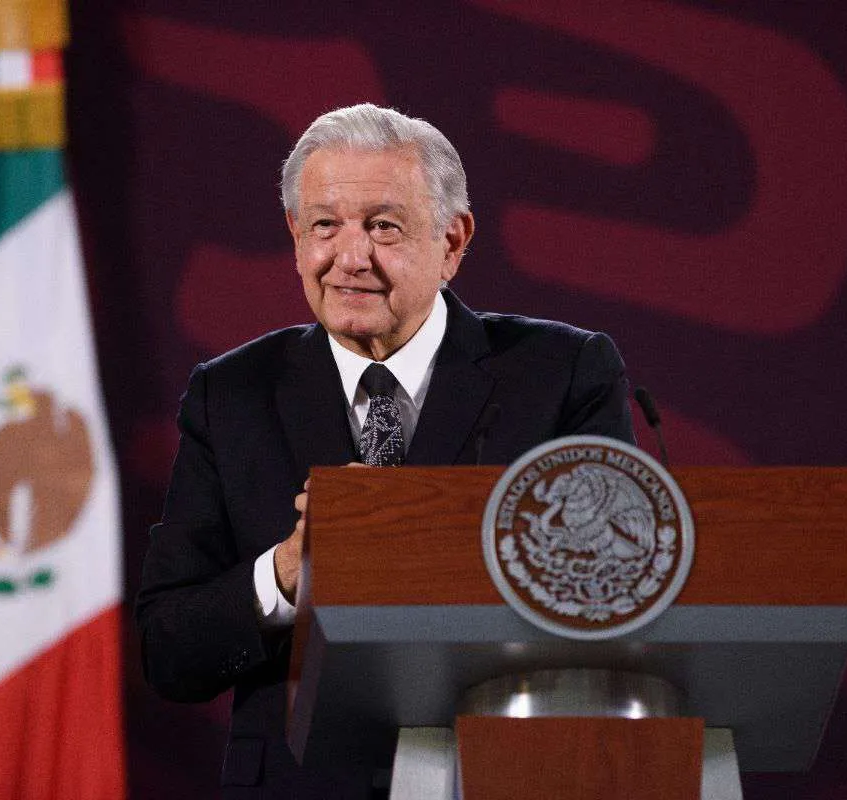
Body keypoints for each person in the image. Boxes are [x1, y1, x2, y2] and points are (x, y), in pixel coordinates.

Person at [135, 103, 634, 798]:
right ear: (295, 236)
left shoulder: (561, 373)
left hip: (503, 775)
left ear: (453, 241)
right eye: (324, 226)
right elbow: (169, 650)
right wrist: (285, 571)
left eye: (383, 226)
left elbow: (621, 592)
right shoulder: (233, 396)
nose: (350, 257)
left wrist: (431, 540)